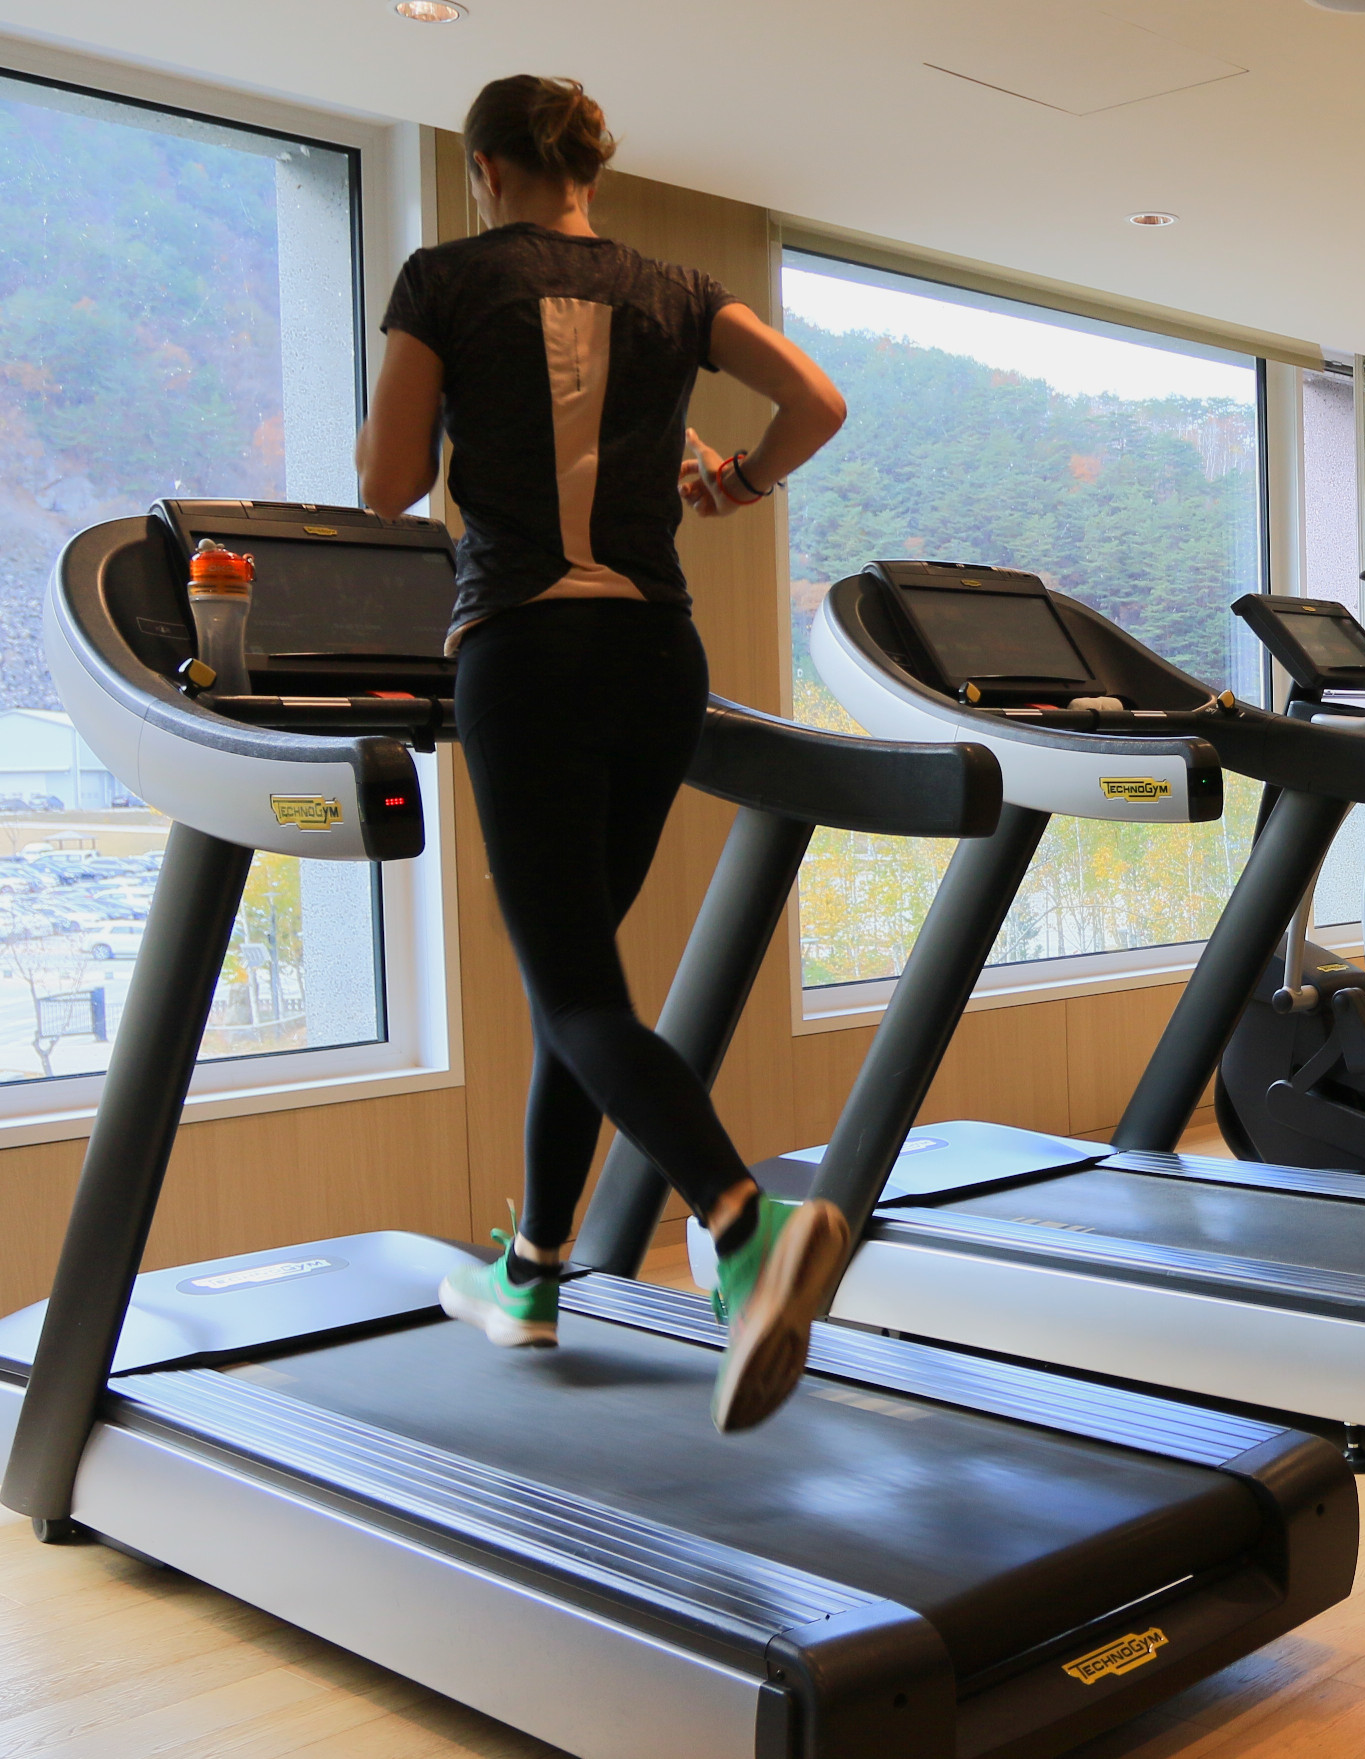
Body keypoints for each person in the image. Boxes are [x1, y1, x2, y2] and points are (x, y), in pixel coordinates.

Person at [356, 74, 850, 1431]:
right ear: (587, 170)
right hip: (656, 657)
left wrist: (464, 414)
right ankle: (535, 1269)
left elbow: (389, 484)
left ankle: (745, 1225)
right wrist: (736, 481)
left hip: (525, 649)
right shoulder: (678, 290)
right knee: (580, 986)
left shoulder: (445, 279)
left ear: (485, 170)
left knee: (574, 988)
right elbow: (817, 399)